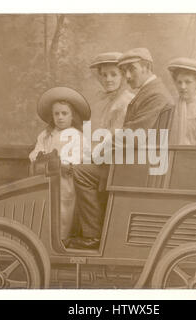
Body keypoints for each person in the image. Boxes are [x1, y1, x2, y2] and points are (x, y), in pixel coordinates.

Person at [69, 48, 174, 250]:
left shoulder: (155, 95)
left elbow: (132, 135)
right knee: (87, 167)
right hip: (138, 159)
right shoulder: (149, 92)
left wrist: (99, 154)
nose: (127, 76)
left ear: (147, 67)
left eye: (132, 69)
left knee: (81, 172)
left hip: (140, 165)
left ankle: (92, 236)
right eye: (124, 70)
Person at [29, 87, 91, 242]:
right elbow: (36, 151)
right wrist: (39, 157)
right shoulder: (46, 135)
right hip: (45, 177)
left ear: (72, 116)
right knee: (45, 206)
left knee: (63, 208)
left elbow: (79, 157)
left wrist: (62, 162)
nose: (60, 117)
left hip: (65, 179)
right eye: (56, 114)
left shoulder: (77, 136)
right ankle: (44, 238)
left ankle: (62, 238)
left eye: (64, 113)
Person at [89, 52, 134, 134]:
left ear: (123, 76)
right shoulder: (104, 101)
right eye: (104, 75)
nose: (108, 79)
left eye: (113, 75)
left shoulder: (128, 101)